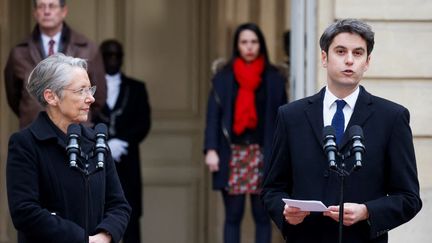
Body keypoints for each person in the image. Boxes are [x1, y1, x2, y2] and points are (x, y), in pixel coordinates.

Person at [261, 19, 422, 243]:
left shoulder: (392, 117)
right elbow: (272, 189)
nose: (349, 60)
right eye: (340, 51)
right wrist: (285, 213)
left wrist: (367, 211)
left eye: (358, 53)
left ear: (367, 62)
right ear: (324, 57)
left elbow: (408, 198)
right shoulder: (291, 116)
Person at [6, 53, 131, 243]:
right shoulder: (25, 144)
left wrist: (105, 236)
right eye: (81, 91)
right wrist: (84, 240)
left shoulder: (97, 141)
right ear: (51, 96)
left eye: (90, 90)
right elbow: (25, 212)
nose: (90, 98)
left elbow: (119, 204)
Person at [204, 23, 287, 243]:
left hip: (263, 153)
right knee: (233, 214)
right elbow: (213, 116)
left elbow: (283, 122)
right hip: (232, 153)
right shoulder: (223, 78)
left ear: (261, 45)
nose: (249, 47)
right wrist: (211, 150)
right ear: (237, 46)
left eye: (254, 42)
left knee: (262, 215)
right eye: (244, 42)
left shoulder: (274, 79)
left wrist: (283, 155)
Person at [4, 0, 106, 128]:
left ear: (64, 11)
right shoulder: (19, 52)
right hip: (34, 130)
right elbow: (14, 97)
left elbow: (99, 97)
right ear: (35, 13)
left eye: (52, 6)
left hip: (76, 130)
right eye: (41, 7)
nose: (46, 11)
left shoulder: (87, 48)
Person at [93, 39, 151, 243]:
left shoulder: (136, 88)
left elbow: (143, 122)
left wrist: (122, 143)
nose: (112, 60)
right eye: (107, 55)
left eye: (116, 55)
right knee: (96, 215)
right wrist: (102, 144)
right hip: (95, 162)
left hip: (128, 163)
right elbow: (83, 119)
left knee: (130, 217)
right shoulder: (89, 87)